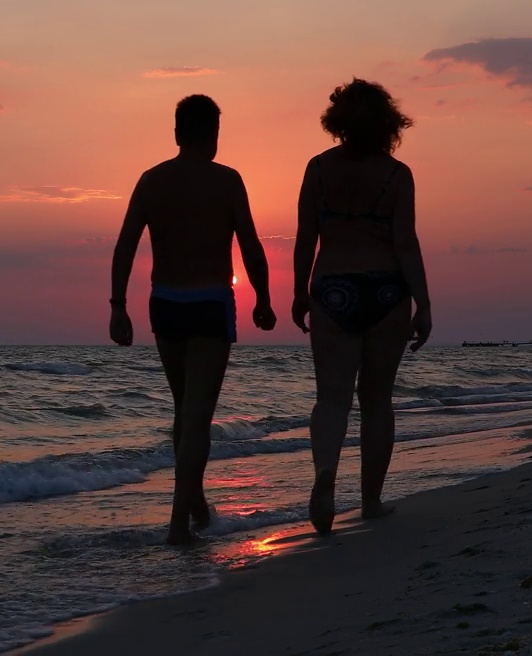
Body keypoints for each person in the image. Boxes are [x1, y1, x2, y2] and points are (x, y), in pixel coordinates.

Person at [110, 95, 278, 546]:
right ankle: (177, 523)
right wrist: (263, 297)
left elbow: (125, 245)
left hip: (164, 303)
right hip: (209, 303)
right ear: (212, 136)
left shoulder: (151, 181)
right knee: (197, 416)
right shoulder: (227, 180)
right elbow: (250, 244)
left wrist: (117, 304)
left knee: (185, 409)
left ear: (177, 133)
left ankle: (197, 504)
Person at [292, 78, 432, 536]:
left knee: (331, 397)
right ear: (388, 123)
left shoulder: (316, 169)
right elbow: (405, 243)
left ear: (338, 121)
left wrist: (298, 291)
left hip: (332, 287)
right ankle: (370, 500)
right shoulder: (397, 174)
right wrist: (424, 303)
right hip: (387, 289)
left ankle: (325, 477)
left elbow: (305, 241)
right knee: (376, 401)